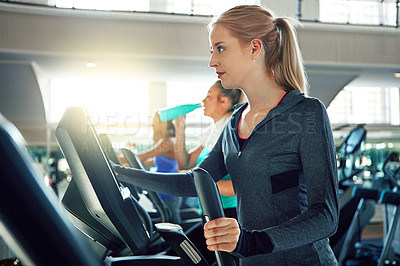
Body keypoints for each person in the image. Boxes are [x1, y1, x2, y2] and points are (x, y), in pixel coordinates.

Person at [113, 5, 339, 265]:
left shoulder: (305, 113)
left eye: (220, 48)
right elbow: (195, 182)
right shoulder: (235, 121)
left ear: (255, 48)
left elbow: (325, 215)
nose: (212, 61)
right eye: (212, 51)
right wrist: (119, 174)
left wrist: (250, 242)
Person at [174, 80, 242, 219]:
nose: (204, 100)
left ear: (224, 101)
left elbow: (243, 186)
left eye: (209, 95)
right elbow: (185, 163)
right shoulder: (212, 132)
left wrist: (202, 183)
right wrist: (180, 131)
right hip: (207, 208)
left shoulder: (232, 131)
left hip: (229, 212)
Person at [137, 112, 182, 224]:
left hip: (169, 193)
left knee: (172, 228)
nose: (153, 124)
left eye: (156, 121)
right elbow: (147, 162)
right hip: (161, 192)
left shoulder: (168, 142)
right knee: (163, 226)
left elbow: (142, 156)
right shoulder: (166, 141)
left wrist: (109, 159)